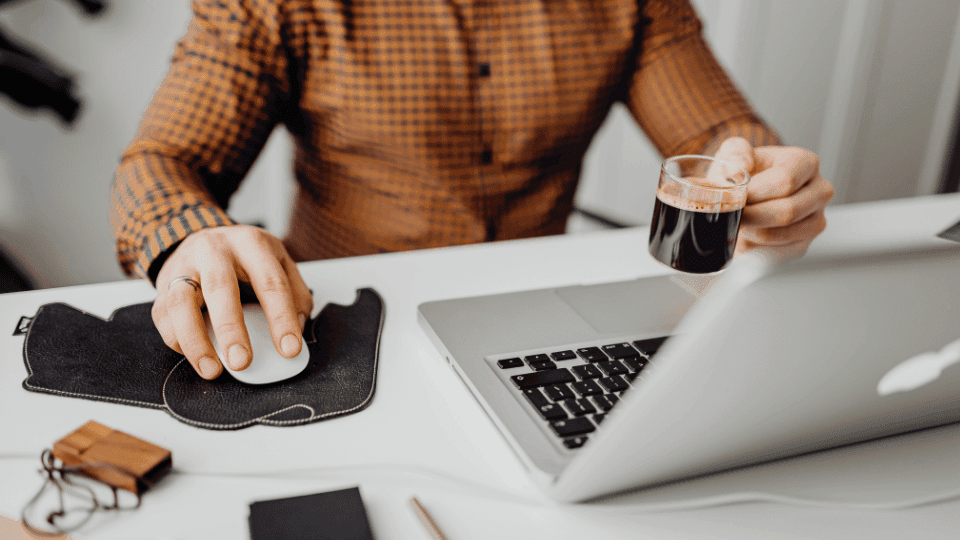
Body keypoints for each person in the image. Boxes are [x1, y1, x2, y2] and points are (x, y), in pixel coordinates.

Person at [111, 0, 834, 380]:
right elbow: (162, 161)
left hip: (544, 332)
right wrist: (191, 239)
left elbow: (720, 133)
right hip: (342, 333)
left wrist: (763, 176)